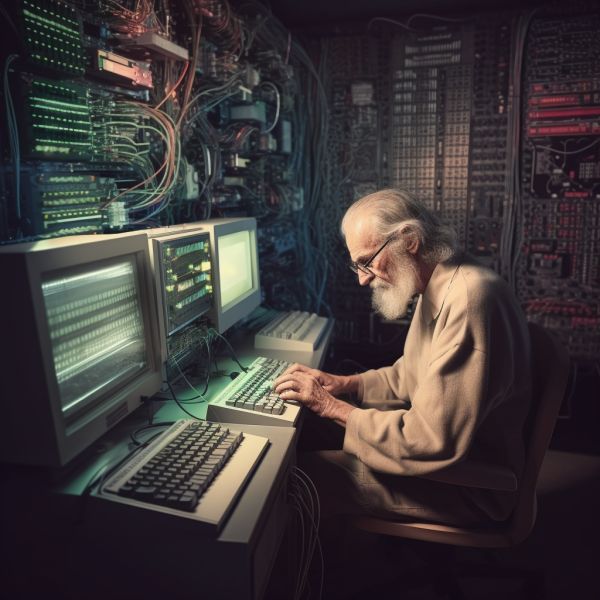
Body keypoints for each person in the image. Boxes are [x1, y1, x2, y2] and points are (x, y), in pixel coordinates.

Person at [274, 189, 532, 526]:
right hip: (454, 463)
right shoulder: (445, 281)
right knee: (311, 434)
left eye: (367, 261)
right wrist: (344, 385)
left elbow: (427, 439)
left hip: (471, 486)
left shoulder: (468, 300)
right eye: (358, 266)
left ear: (409, 240)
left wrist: (331, 406)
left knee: (292, 479)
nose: (363, 279)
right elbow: (409, 377)